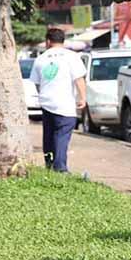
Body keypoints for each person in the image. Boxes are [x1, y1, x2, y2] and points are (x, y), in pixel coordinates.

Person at [30, 27, 87, 172]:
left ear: (48, 41)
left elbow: (37, 83)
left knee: (48, 136)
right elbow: (79, 80)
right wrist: (82, 98)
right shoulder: (72, 57)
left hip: (47, 102)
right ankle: (60, 168)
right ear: (63, 40)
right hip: (65, 104)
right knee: (61, 136)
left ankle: (49, 165)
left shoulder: (40, 59)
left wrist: (44, 95)